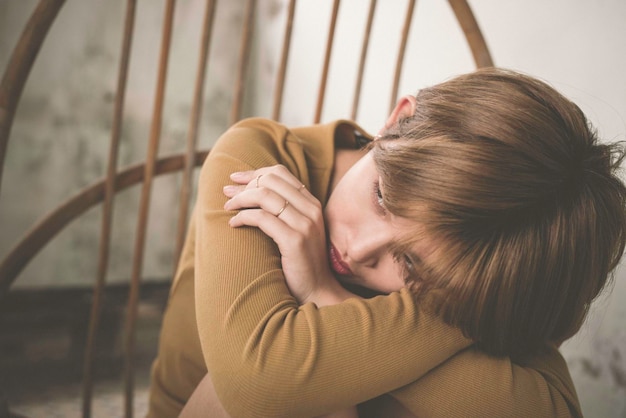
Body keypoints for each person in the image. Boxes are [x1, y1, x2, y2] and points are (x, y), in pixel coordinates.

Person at [147, 68, 626, 417]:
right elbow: (257, 384)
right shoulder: (261, 159)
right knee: (305, 399)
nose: (359, 250)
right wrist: (453, 310)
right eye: (382, 196)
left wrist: (323, 295)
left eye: (412, 263)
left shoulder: (493, 259)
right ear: (397, 120)